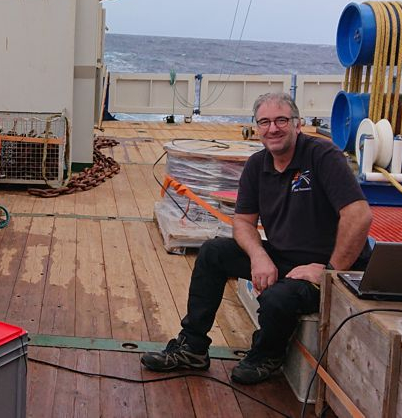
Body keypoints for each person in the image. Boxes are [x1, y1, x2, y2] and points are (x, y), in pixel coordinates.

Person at [141, 92, 373, 384]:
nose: (272, 128)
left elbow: (359, 215)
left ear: (298, 124)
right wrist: (259, 256)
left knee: (277, 298)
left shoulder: (322, 155)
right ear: (256, 127)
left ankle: (266, 355)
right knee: (213, 252)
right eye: (264, 122)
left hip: (328, 267)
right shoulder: (256, 165)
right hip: (285, 256)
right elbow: (243, 222)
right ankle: (192, 348)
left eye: (281, 120)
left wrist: (328, 272)